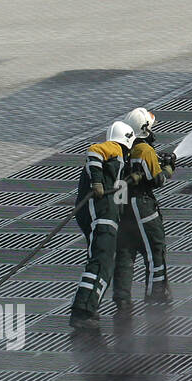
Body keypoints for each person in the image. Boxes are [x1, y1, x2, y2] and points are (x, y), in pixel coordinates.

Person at [68, 120, 135, 331]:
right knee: (101, 261)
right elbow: (94, 152)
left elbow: (120, 193)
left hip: (104, 214)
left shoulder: (121, 160)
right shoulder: (113, 148)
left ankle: (88, 307)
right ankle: (82, 311)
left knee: (101, 260)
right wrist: (97, 181)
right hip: (101, 214)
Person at [113, 107, 176, 311]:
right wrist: (168, 169)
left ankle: (122, 299)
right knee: (154, 249)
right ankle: (156, 294)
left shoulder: (118, 148)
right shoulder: (144, 150)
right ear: (144, 129)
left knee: (125, 253)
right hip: (142, 207)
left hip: (120, 206)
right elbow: (157, 179)